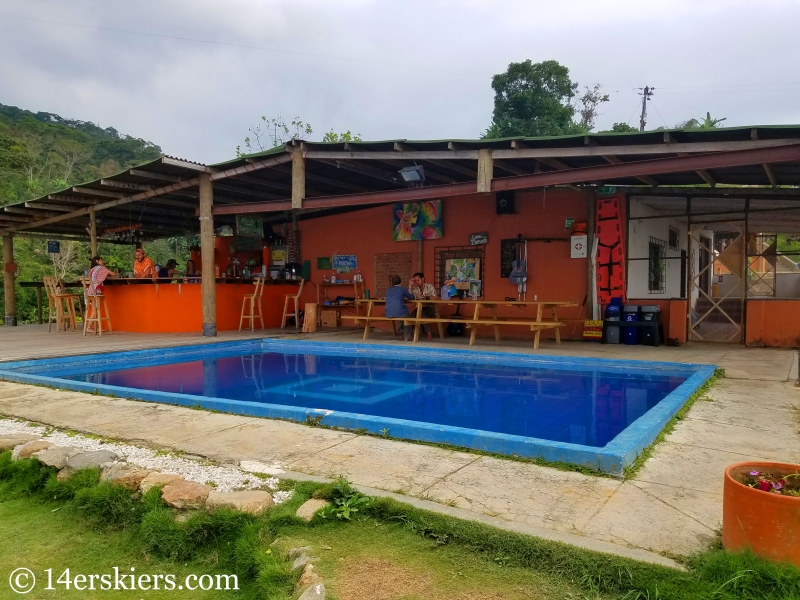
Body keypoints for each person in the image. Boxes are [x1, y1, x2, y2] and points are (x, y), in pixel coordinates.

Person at [85, 256, 116, 332]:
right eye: (101, 260)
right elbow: (113, 274)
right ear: (97, 261)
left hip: (90, 291)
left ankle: (92, 327)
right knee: (95, 310)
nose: (103, 261)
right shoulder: (102, 268)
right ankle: (89, 327)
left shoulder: (92, 269)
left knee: (94, 310)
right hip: (96, 291)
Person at [385, 274, 416, 341]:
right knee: (407, 315)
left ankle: (400, 326)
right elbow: (411, 297)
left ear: (392, 282)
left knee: (403, 312)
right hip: (399, 312)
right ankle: (407, 336)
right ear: (400, 282)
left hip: (388, 313)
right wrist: (410, 288)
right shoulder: (402, 289)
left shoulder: (388, 290)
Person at [408, 272, 436, 341]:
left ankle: (429, 334)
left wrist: (423, 298)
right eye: (415, 281)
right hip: (419, 308)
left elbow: (435, 297)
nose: (417, 282)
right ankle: (410, 334)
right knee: (411, 315)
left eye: (418, 280)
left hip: (430, 309)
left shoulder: (429, 286)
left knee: (422, 313)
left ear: (422, 279)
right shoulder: (415, 289)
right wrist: (410, 286)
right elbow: (409, 296)